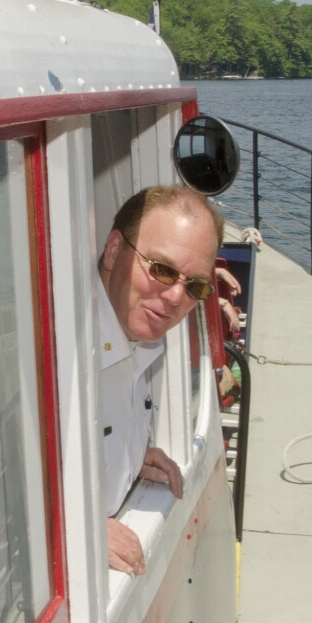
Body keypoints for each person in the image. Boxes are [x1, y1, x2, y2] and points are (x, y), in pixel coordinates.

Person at [97, 185, 224, 575]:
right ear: (115, 250)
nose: (174, 297)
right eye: (162, 269)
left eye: (195, 286)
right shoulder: (51, 342)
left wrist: (128, 455)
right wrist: (75, 532)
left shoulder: (140, 339)